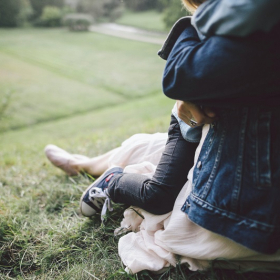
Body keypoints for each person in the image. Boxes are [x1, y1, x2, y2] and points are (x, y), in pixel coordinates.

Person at [45, 0, 280, 273]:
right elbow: (177, 78)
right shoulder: (240, 25)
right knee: (159, 193)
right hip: (191, 125)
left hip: (226, 140)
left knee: (151, 159)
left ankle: (96, 171)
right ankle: (105, 177)